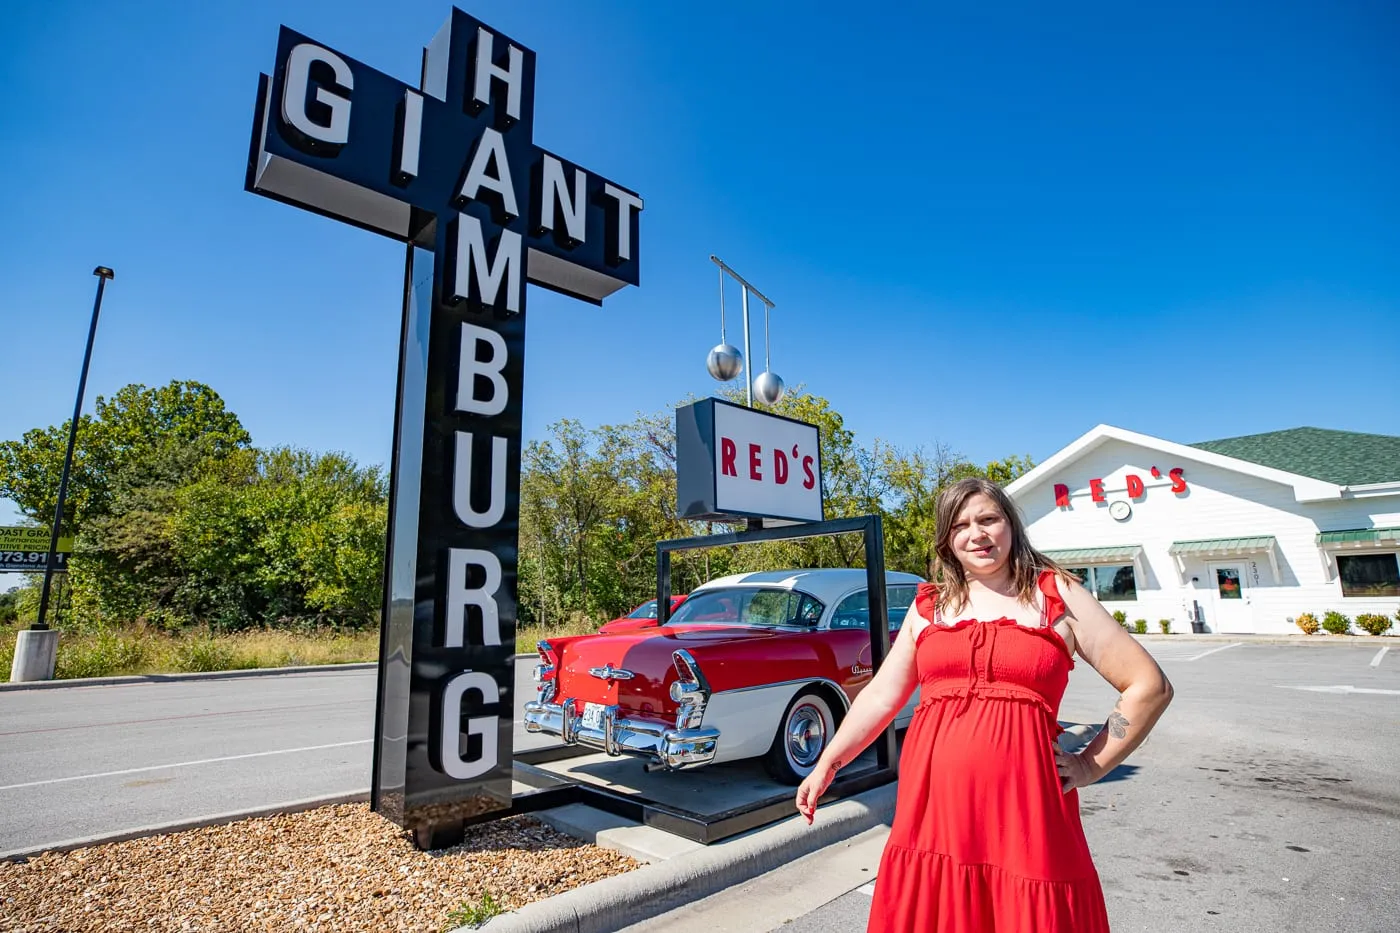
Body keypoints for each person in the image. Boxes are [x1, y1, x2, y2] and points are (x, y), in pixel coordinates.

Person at [796, 477, 1174, 931]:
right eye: (960, 525)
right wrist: (827, 764)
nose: (976, 533)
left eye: (988, 519)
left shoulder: (1057, 597)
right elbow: (880, 696)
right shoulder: (929, 607)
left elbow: (1147, 685)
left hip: (1027, 814)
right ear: (947, 540)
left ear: (1010, 526)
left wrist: (1092, 764)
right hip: (934, 810)